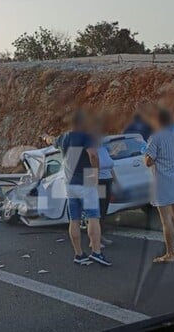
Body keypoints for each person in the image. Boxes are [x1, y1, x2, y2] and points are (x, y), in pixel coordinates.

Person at [43, 110, 112, 266]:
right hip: (86, 180)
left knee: (74, 219)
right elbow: (93, 155)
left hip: (70, 183)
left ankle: (79, 254)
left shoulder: (63, 138)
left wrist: (46, 136)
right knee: (93, 217)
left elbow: (51, 140)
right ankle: (96, 252)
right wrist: (95, 174)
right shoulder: (87, 137)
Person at [145, 108, 174, 262]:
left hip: (162, 182)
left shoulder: (155, 138)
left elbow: (148, 161)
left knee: (166, 220)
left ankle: (169, 254)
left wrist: (146, 155)